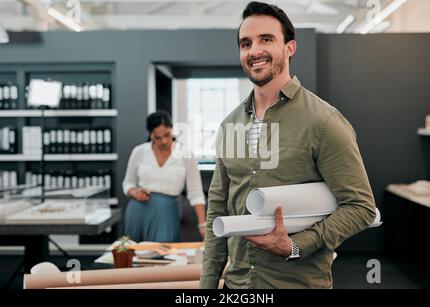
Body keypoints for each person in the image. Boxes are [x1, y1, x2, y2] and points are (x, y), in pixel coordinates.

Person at [200, 1, 376, 289]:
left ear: (289, 48)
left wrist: (296, 245)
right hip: (237, 286)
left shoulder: (324, 121)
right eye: (246, 43)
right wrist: (206, 287)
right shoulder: (229, 125)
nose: (254, 51)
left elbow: (361, 207)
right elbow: (218, 210)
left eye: (266, 39)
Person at [122, 110, 206, 243]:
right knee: (133, 255)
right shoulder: (139, 152)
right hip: (138, 209)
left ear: (172, 129)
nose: (164, 141)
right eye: (158, 137)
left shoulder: (185, 155)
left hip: (167, 212)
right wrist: (134, 192)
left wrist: (203, 225)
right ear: (150, 135)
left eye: (167, 134)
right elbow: (128, 183)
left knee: (165, 256)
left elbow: (196, 193)